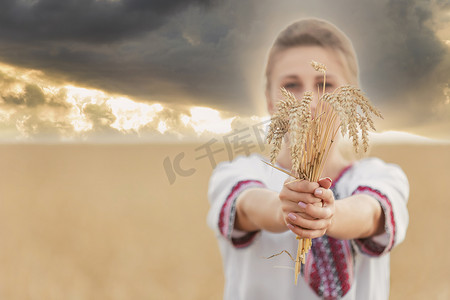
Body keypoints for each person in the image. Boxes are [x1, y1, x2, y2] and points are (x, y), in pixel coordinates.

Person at [207, 18, 409, 300]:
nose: (310, 102)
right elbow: (248, 206)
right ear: (268, 99)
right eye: (291, 85)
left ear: (350, 97)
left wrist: (330, 214)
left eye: (324, 85)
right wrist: (283, 209)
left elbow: (372, 211)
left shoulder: (380, 177)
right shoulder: (239, 173)